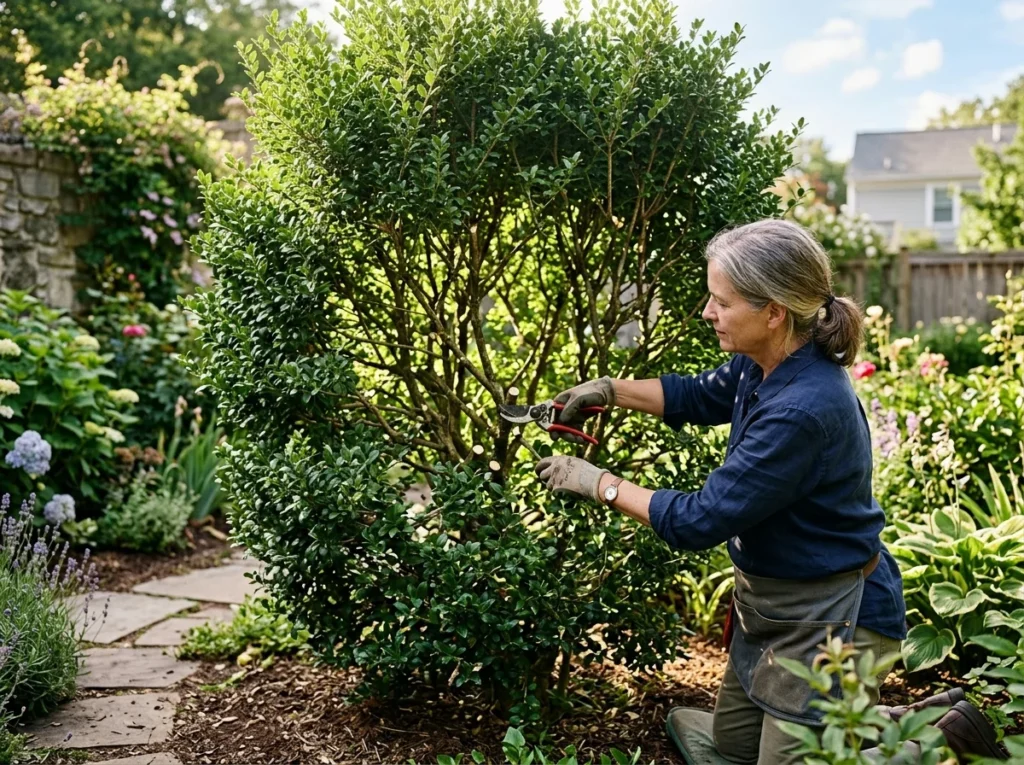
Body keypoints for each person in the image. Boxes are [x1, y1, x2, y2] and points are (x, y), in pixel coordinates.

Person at [534, 219, 1006, 764]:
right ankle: (883, 722)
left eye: (721, 302)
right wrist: (608, 391)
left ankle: (932, 738)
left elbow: (700, 519)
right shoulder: (765, 363)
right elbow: (696, 395)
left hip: (834, 621)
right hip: (776, 611)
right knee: (731, 747)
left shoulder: (801, 411)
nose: (707, 313)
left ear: (774, 312)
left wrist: (598, 484)